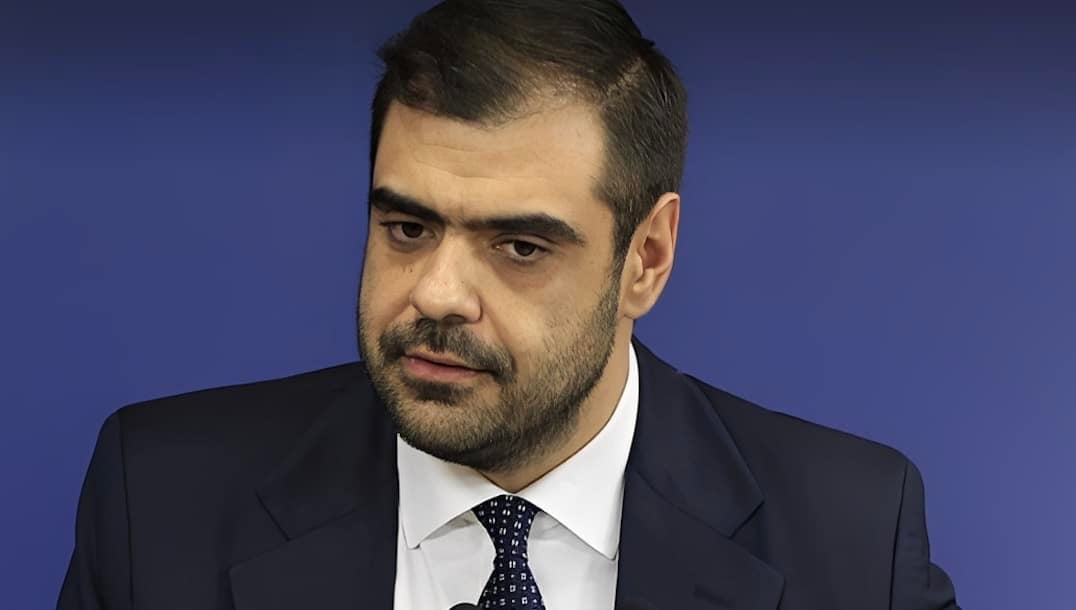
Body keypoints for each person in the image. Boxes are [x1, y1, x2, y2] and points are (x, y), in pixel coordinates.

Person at [57, 1, 960, 609]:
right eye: (407, 227)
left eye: (519, 247)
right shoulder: (159, 502)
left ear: (646, 259)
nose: (437, 293)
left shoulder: (854, 545)